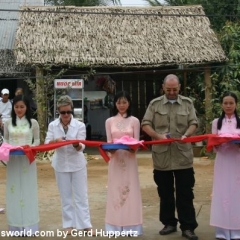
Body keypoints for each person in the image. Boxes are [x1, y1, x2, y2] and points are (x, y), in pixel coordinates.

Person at [141, 74, 199, 240]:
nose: (172, 92)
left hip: (182, 156)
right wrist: (158, 136)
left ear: (179, 87)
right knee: (165, 193)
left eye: (174, 89)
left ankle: (187, 226)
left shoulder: (187, 103)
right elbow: (145, 123)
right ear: (163, 87)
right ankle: (169, 223)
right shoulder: (155, 104)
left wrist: (187, 134)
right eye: (168, 89)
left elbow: (194, 123)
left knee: (185, 193)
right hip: (162, 157)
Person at [45, 95, 94, 235]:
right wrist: (56, 141)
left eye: (68, 112)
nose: (66, 115)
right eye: (63, 112)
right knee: (65, 196)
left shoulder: (80, 125)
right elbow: (47, 144)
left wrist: (76, 144)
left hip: (77, 164)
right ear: (58, 112)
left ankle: (85, 225)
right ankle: (68, 225)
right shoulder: (52, 125)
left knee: (81, 195)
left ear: (72, 110)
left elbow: (82, 147)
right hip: (60, 164)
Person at [105, 90, 143, 236]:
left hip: (129, 159)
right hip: (115, 160)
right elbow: (109, 142)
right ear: (115, 104)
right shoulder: (109, 121)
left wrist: (132, 147)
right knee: (115, 190)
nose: (121, 105)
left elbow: (137, 142)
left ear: (129, 103)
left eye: (124, 102)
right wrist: (112, 150)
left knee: (130, 190)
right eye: (119, 102)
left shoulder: (134, 121)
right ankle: (114, 227)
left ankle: (131, 226)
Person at [4, 94, 40, 236]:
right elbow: (6, 140)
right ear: (13, 108)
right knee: (13, 190)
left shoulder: (33, 122)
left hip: (27, 159)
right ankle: (16, 227)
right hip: (13, 160)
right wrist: (8, 148)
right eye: (16, 107)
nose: (19, 109)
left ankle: (29, 226)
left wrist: (29, 147)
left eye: (22, 107)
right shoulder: (8, 123)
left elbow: (37, 141)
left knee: (28, 189)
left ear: (27, 107)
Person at [210, 91, 240, 240]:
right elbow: (213, 145)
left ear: (236, 104)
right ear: (221, 105)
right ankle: (222, 230)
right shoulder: (216, 122)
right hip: (222, 160)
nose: (228, 106)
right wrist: (218, 142)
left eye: (231, 103)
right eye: (225, 103)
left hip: (237, 160)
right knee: (222, 192)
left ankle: (236, 230)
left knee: (237, 192)